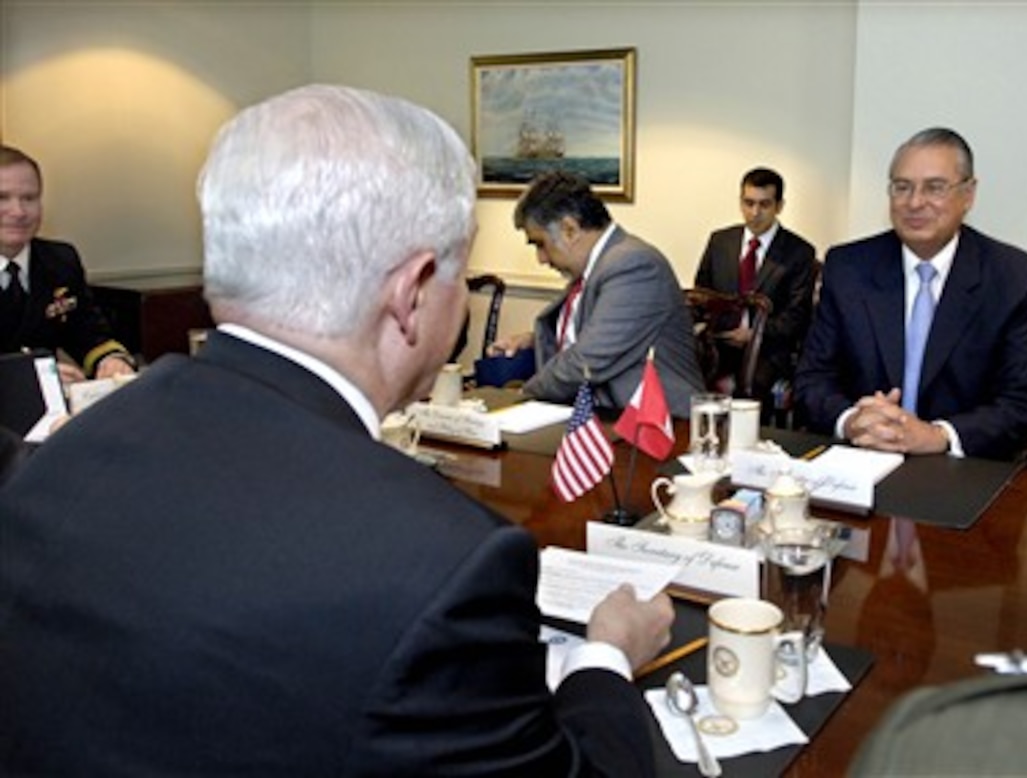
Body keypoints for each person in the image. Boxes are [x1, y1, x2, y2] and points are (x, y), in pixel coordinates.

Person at [0, 85, 674, 775]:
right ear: (413, 293)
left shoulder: (52, 460)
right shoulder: (446, 567)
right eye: (462, 272)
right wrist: (606, 657)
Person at [794, 127, 1027, 461]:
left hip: (963, 472)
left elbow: (1026, 402)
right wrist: (852, 421)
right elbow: (812, 379)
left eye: (935, 188)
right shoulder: (847, 267)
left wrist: (938, 435)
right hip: (861, 462)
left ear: (968, 195)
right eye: (902, 187)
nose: (914, 202)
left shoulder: (1014, 277)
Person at [489, 170, 703, 415]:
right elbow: (589, 332)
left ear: (570, 229)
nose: (541, 258)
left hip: (654, 428)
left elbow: (588, 359)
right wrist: (532, 340)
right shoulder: (598, 265)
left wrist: (522, 397)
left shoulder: (634, 264)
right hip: (603, 418)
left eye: (541, 244)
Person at [0, 145, 135, 382]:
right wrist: (28, 378)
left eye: (29, 198)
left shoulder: (60, 261)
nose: (19, 211)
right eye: (2, 198)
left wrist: (111, 360)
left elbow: (89, 332)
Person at [694, 167, 818, 416]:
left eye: (764, 204)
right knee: (678, 368)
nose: (754, 212)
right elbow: (701, 293)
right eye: (748, 203)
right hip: (717, 343)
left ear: (779, 206)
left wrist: (754, 334)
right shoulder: (720, 241)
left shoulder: (799, 252)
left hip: (768, 349)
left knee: (750, 389)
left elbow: (797, 317)